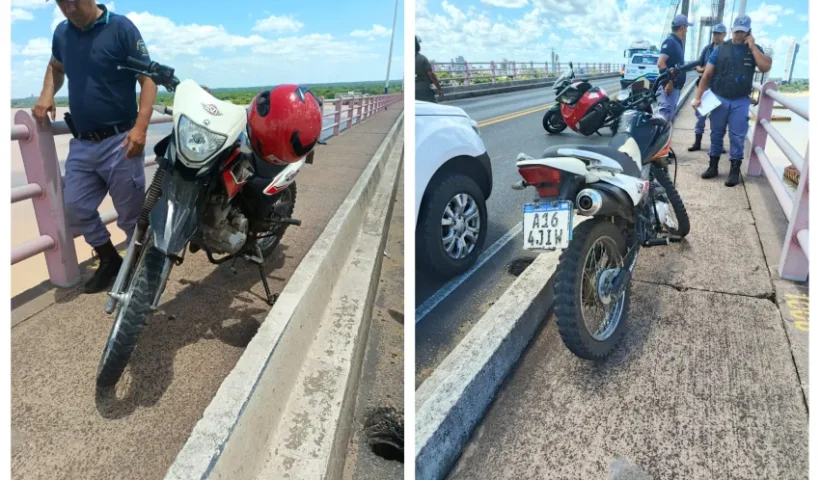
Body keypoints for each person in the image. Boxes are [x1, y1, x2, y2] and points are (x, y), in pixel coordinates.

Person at [32, 0, 158, 293]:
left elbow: (148, 79)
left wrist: (140, 128)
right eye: (61, 2)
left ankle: (140, 270)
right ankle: (110, 260)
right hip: (82, 143)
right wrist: (47, 93)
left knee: (130, 217)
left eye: (73, 0)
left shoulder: (121, 27)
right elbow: (55, 66)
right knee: (75, 208)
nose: (68, 7)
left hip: (121, 140)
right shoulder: (62, 33)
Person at [692, 15, 772, 187]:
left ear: (748, 32)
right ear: (731, 30)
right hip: (719, 97)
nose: (739, 35)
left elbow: (765, 66)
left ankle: (734, 171)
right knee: (716, 133)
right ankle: (713, 166)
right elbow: (707, 74)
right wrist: (698, 98)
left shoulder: (755, 49)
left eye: (742, 32)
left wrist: (752, 47)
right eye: (736, 31)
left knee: (737, 136)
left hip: (740, 100)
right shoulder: (720, 49)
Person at [689, 23, 727, 153]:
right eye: (714, 33)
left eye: (719, 33)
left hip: (720, 89)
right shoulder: (707, 49)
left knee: (718, 120)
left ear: (724, 35)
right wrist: (704, 69)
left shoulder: (728, 50)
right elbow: (698, 66)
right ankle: (697, 143)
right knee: (700, 116)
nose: (716, 36)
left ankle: (718, 145)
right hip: (705, 88)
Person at [656, 14, 693, 121]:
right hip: (669, 89)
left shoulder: (676, 42)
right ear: (682, 28)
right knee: (664, 120)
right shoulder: (671, 41)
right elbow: (660, 63)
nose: (687, 31)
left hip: (673, 89)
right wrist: (669, 82)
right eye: (686, 28)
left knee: (668, 120)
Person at [415, 35, 443, 102]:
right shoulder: (422, 58)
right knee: (431, 106)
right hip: (424, 90)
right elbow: (431, 75)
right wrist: (439, 89)